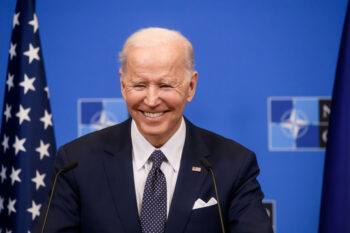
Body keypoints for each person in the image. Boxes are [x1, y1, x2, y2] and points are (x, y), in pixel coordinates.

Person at [34, 27, 273, 233]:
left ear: (191, 86)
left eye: (165, 85)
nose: (151, 100)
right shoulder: (76, 163)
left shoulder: (233, 164)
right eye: (139, 85)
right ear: (122, 85)